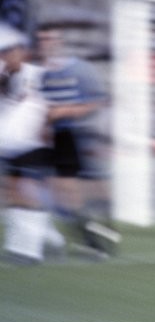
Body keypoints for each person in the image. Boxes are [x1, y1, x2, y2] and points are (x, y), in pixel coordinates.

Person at [37, 24, 119, 258]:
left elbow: (97, 102)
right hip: (53, 137)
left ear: (60, 41)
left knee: (95, 191)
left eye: (51, 39)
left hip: (80, 134)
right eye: (42, 39)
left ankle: (105, 236)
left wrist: (66, 111)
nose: (46, 43)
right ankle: (90, 242)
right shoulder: (38, 72)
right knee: (63, 192)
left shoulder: (81, 70)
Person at [0, 23, 64, 264]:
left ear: (22, 52)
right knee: (13, 193)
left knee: (27, 192)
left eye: (12, 51)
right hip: (8, 144)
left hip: (32, 144)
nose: (7, 56)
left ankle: (30, 250)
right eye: (5, 53)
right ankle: (36, 240)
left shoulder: (36, 75)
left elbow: (51, 106)